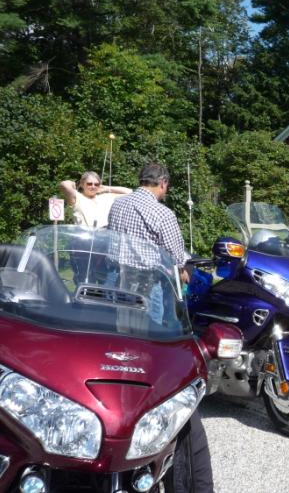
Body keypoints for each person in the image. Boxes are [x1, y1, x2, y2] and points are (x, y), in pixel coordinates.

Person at [107, 162, 214, 492]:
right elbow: (177, 255)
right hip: (147, 283)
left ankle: (118, 383)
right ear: (163, 183)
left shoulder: (119, 204)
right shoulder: (162, 214)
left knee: (120, 335)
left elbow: (110, 241)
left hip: (117, 280)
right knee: (149, 341)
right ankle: (144, 397)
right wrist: (185, 269)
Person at [59, 172, 132, 228]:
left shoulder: (105, 197)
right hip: (83, 238)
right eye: (89, 184)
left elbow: (129, 192)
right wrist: (73, 183)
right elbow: (64, 185)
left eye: (96, 184)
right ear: (82, 184)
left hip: (104, 238)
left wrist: (106, 188)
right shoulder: (77, 197)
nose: (93, 186)